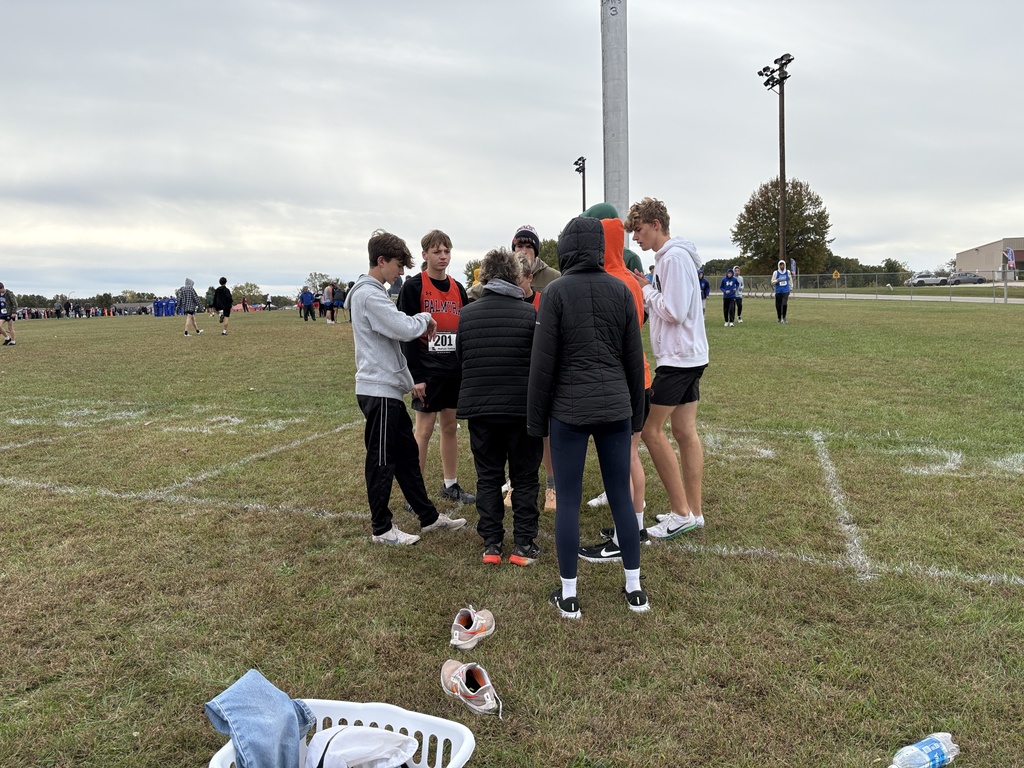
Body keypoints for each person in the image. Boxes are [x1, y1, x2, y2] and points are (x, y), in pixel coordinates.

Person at [528, 216, 647, 618]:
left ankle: (570, 595)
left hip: (570, 410)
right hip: (615, 407)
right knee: (620, 497)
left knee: (569, 503)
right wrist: (636, 415)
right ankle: (634, 588)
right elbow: (634, 361)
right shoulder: (621, 290)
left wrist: (535, 420)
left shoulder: (555, 292)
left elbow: (542, 364)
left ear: (564, 248)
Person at [346, 229, 467, 545]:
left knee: (407, 457)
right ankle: (382, 529)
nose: (401, 272)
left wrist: (407, 379)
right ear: (381, 260)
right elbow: (402, 326)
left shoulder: (373, 292)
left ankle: (427, 517)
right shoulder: (369, 294)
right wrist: (425, 318)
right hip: (378, 391)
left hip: (388, 390)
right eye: (398, 265)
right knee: (382, 460)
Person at [626, 196, 709, 540]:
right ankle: (695, 511)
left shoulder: (672, 258)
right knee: (684, 432)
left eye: (640, 230)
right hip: (689, 356)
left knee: (649, 431)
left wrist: (646, 291)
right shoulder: (673, 257)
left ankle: (680, 513)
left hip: (678, 360)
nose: (635, 238)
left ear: (656, 225)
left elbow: (674, 310)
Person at [577, 213, 655, 563]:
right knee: (629, 456)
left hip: (621, 380)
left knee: (624, 459)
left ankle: (630, 535)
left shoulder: (610, 281)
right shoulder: (630, 281)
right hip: (638, 377)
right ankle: (633, 528)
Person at [457, 248, 542, 566]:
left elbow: (461, 360)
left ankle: (491, 544)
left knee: (488, 476)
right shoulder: (529, 314)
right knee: (524, 476)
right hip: (520, 409)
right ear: (515, 276)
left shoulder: (467, 314)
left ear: (486, 276)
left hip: (481, 408)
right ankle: (523, 544)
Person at [396, 230, 475, 506]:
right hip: (426, 373)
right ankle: (414, 492)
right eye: (437, 251)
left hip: (452, 371)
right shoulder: (413, 287)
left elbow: (463, 330)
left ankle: (450, 484)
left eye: (447, 251)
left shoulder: (458, 288)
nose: (443, 257)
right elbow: (405, 332)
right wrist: (415, 375)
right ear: (425, 255)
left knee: (450, 426)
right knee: (424, 430)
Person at [772, 259, 792, 323]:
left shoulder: (787, 272)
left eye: (783, 265)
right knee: (778, 305)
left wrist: (791, 287)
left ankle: (784, 317)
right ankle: (779, 317)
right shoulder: (776, 273)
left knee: (784, 304)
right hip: (778, 291)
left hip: (785, 290)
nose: (782, 267)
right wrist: (776, 281)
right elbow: (772, 282)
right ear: (779, 266)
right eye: (781, 265)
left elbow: (790, 280)